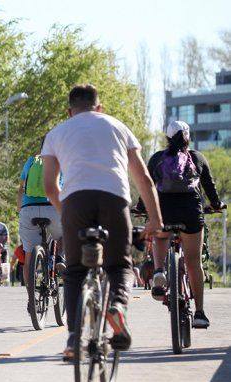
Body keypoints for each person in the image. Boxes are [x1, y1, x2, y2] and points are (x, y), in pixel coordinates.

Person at [42, 84, 163, 359]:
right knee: (119, 265)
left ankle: (74, 340)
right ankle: (118, 307)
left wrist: (67, 213)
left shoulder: (56, 133)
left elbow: (50, 187)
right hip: (114, 199)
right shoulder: (118, 127)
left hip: (75, 201)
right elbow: (143, 178)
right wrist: (155, 219)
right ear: (100, 107)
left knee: (74, 271)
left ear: (69, 111)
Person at [145, 120, 224, 328]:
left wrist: (141, 207)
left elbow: (147, 185)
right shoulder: (197, 157)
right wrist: (216, 205)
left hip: (164, 211)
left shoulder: (156, 159)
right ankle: (199, 313)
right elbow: (210, 188)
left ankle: (159, 270)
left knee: (160, 235)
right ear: (188, 137)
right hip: (191, 212)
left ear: (167, 138)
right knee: (193, 263)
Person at [17, 137, 65, 286]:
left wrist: (20, 210)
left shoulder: (31, 161)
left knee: (29, 255)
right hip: (52, 208)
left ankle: (32, 300)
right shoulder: (60, 162)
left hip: (28, 210)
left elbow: (21, 189)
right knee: (65, 235)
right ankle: (59, 259)